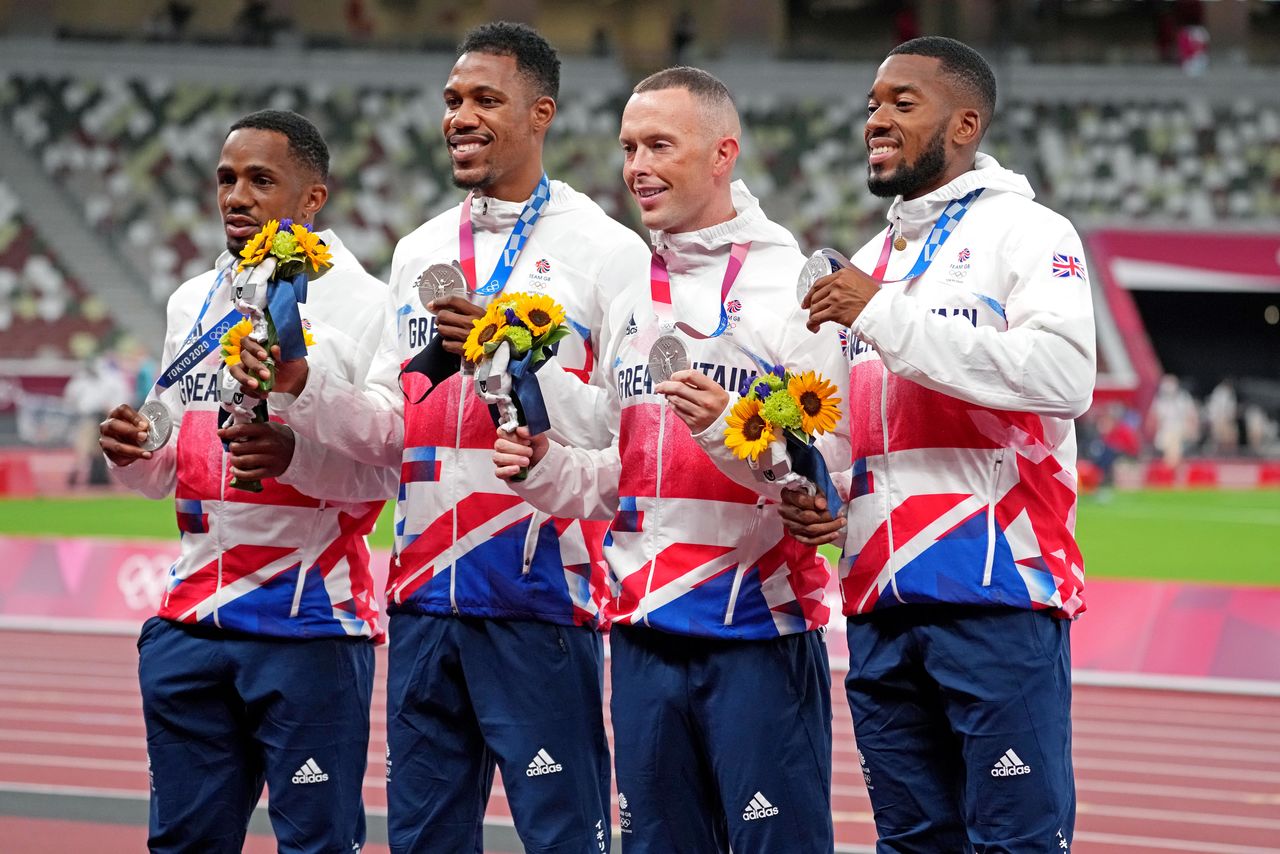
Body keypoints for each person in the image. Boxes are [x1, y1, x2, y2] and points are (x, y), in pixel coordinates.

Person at [230, 22, 651, 853]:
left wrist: (513, 362)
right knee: (421, 841)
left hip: (540, 598)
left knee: (565, 838)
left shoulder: (607, 251)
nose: (460, 114)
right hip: (422, 598)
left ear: (542, 113)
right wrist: (302, 385)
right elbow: (392, 426)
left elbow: (621, 427)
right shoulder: (419, 248)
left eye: (486, 99)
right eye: (453, 99)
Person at [493, 66, 848, 854]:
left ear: (723, 154)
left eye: (660, 145)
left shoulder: (788, 287)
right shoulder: (631, 290)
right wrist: (541, 466)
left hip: (756, 631)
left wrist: (732, 425)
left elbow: (824, 464)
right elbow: (618, 471)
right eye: (627, 148)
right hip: (644, 632)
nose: (637, 166)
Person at [786, 37, 1096, 852]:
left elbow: (1065, 377)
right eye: (871, 105)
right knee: (913, 840)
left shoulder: (1029, 232)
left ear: (964, 122)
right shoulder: (868, 259)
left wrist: (881, 313)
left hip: (997, 594)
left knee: (1015, 842)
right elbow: (854, 436)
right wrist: (823, 489)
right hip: (879, 605)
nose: (876, 120)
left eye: (900, 103)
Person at [98, 109, 393, 854]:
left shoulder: (363, 304)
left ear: (311, 198)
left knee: (316, 846)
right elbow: (168, 467)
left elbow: (389, 462)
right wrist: (133, 451)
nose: (237, 195)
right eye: (227, 179)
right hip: (190, 623)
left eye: (262, 180)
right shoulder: (192, 300)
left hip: (307, 626)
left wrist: (295, 453)